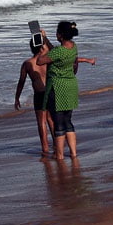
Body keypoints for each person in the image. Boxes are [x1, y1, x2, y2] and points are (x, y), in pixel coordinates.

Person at [37, 21, 96, 160]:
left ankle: (60, 155)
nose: (56, 34)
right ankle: (74, 153)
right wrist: (45, 39)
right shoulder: (73, 47)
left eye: (57, 32)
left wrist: (41, 49)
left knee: (58, 123)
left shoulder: (59, 51)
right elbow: (55, 52)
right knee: (68, 121)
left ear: (61, 35)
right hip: (70, 87)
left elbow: (40, 61)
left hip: (57, 88)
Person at [14, 39, 54, 157]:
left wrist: (17, 98)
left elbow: (21, 82)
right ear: (42, 47)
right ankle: (57, 145)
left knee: (41, 122)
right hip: (50, 91)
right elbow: (54, 50)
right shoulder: (48, 60)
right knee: (51, 120)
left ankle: (45, 147)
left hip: (39, 94)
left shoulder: (27, 63)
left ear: (31, 48)